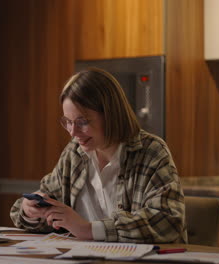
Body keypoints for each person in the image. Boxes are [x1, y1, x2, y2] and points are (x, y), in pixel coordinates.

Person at [10, 68, 187, 243]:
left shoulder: (151, 152)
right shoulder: (74, 152)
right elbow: (40, 206)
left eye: (82, 122)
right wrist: (31, 211)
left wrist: (89, 230)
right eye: (68, 122)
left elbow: (168, 221)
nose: (73, 132)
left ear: (111, 115)